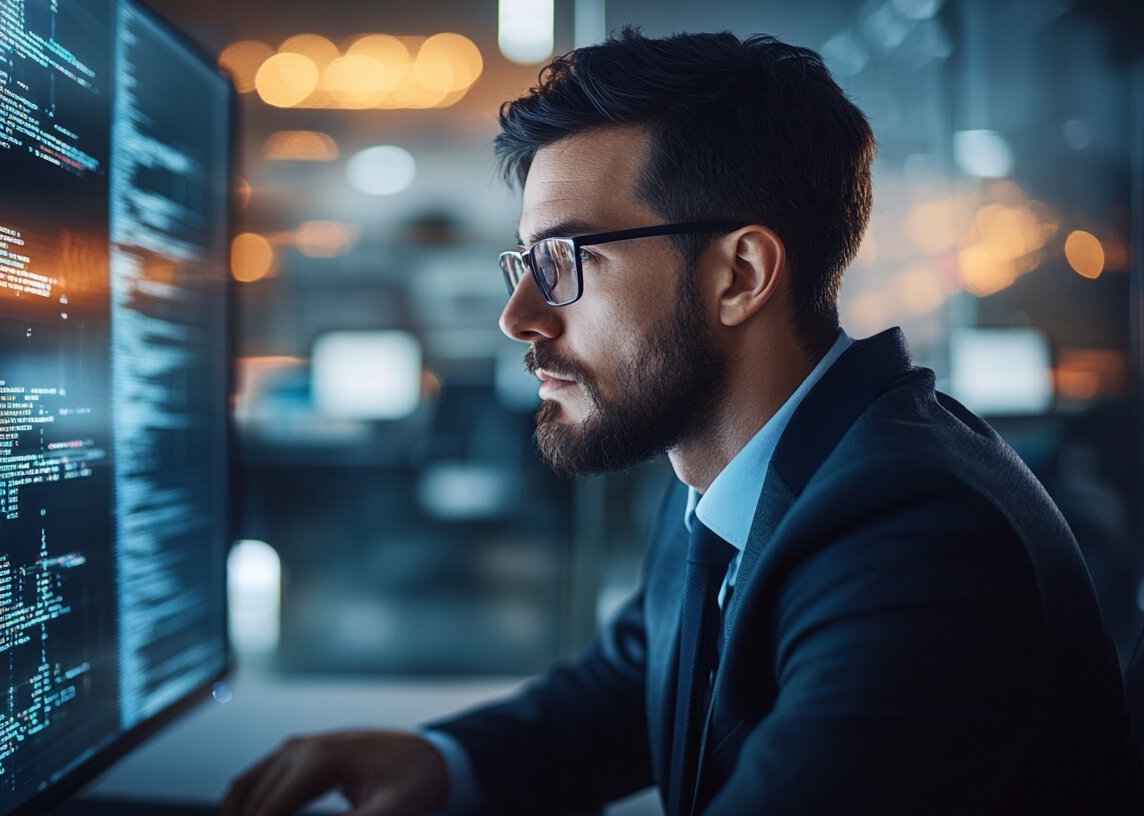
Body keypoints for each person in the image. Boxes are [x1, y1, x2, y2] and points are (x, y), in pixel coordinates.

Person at [219, 29, 1137, 816]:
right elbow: (645, 673)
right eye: (524, 263)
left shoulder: (916, 534)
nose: (521, 316)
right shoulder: (734, 467)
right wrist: (444, 762)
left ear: (739, 275)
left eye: (566, 259)